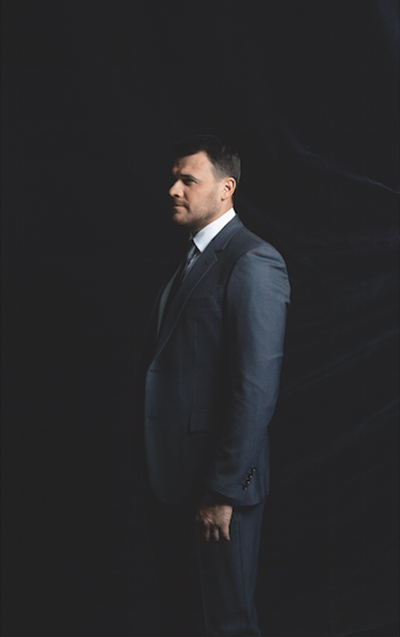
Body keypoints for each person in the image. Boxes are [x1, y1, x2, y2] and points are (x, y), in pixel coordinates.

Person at [135, 134, 291, 636]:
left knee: (226, 623)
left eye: (188, 180)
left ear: (226, 188)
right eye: (173, 179)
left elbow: (256, 390)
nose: (173, 190)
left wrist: (224, 490)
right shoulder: (188, 259)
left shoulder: (253, 261)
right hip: (173, 477)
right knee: (183, 616)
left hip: (220, 486)